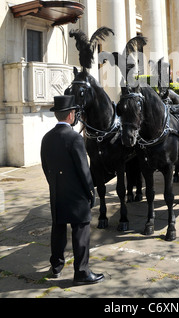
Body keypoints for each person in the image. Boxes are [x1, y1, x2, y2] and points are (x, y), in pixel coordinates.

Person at [41, 95, 104, 286]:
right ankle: (82, 272)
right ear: (70, 115)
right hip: (76, 195)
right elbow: (84, 171)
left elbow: (45, 167)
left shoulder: (47, 138)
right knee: (81, 231)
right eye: (74, 112)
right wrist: (90, 193)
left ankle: (56, 267)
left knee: (58, 229)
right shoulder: (75, 138)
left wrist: (54, 185)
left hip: (57, 191)